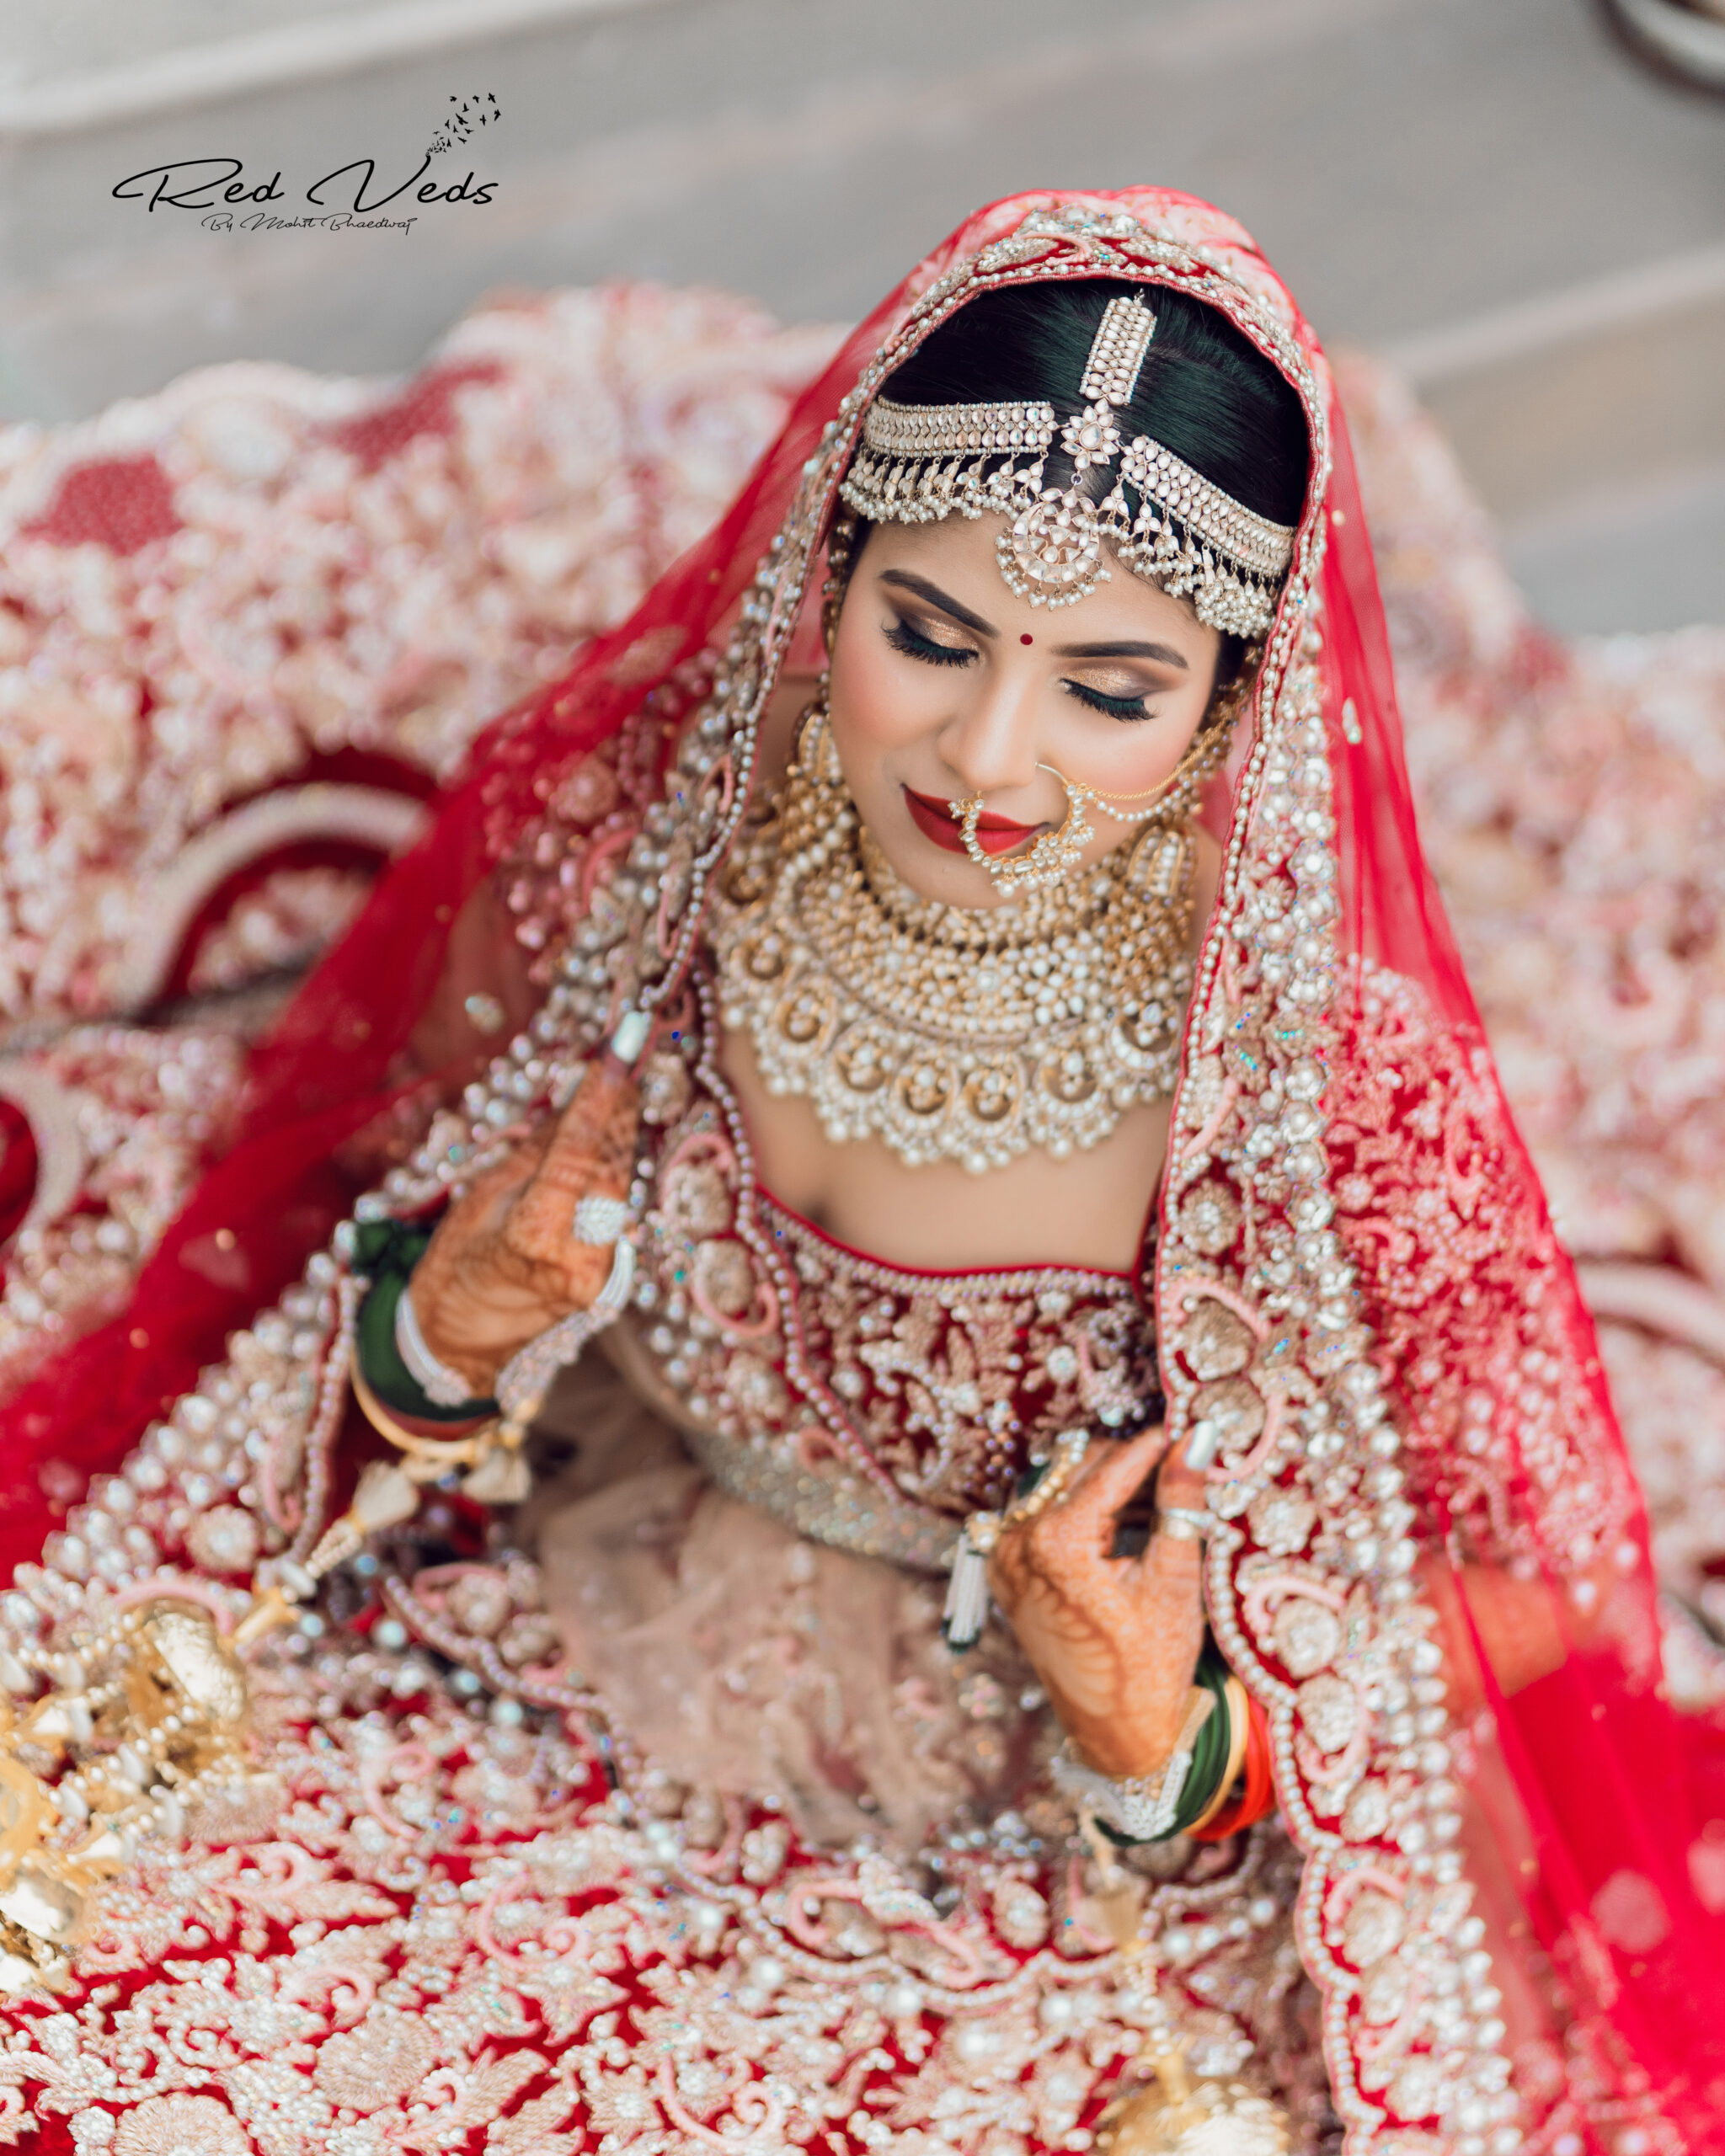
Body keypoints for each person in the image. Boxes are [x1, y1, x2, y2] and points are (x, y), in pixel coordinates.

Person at [0, 189, 1720, 2156]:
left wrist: (1164, 1731)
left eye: (1108, 686)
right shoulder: (638, 863)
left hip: (1035, 1832)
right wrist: (439, 1330)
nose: (989, 753)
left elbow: (1513, 1587)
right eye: (929, 633)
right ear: (832, 571)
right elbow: (403, 1204)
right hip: (575, 1627)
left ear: (1232, 700)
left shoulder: (1323, 1107)